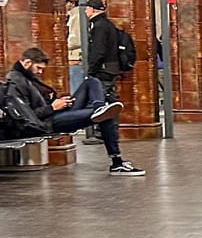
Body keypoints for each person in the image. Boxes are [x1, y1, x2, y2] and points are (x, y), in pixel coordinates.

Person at [1, 47, 143, 175]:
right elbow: (28, 117)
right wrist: (52, 107)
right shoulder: (16, 82)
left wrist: (58, 103)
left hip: (54, 112)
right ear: (26, 63)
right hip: (47, 122)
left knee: (91, 82)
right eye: (38, 68)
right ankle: (116, 162)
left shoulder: (28, 78)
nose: (40, 72)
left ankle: (99, 107)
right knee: (107, 113)